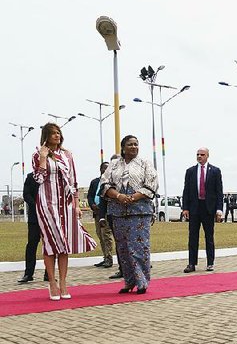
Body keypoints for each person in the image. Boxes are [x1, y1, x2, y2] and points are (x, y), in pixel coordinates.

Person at [32, 123, 96, 300]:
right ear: (46, 135)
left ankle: (63, 282)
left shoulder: (67, 155)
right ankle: (52, 282)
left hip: (66, 205)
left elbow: (73, 182)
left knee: (64, 245)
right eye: (53, 133)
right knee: (51, 243)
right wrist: (43, 159)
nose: (57, 135)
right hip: (47, 204)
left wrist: (76, 206)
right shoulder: (38, 154)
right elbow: (38, 179)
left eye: (58, 132)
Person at [99, 135, 158, 294]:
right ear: (123, 147)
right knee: (123, 248)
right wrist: (119, 196)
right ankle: (129, 281)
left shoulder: (145, 164)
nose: (134, 147)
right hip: (118, 212)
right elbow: (104, 184)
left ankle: (142, 282)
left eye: (136, 144)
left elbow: (151, 185)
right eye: (130, 144)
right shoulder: (113, 165)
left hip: (139, 212)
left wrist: (132, 197)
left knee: (139, 247)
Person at [181, 147, 223, 273]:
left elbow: (219, 192)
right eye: (198, 154)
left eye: (202, 154)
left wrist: (219, 209)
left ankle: (210, 263)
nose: (199, 156)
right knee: (192, 236)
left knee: (209, 236)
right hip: (194, 208)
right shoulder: (190, 171)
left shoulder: (215, 171)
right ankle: (191, 264)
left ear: (207, 156)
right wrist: (185, 208)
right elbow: (186, 191)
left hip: (208, 208)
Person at [17, 172, 48, 284]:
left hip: (49, 217)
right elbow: (26, 194)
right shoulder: (31, 177)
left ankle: (48, 273)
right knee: (31, 244)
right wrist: (36, 206)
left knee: (49, 245)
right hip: (34, 217)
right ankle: (28, 274)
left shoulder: (50, 175)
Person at [87, 162, 115, 268]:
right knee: (100, 235)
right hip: (97, 213)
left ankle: (109, 258)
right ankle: (105, 257)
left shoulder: (111, 182)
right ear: (100, 169)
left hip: (107, 213)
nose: (105, 170)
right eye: (104, 168)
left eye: (107, 169)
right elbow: (90, 196)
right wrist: (92, 205)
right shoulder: (94, 182)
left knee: (106, 235)